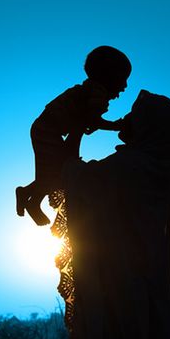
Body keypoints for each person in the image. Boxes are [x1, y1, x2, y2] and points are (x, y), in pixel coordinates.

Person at [55, 89, 170, 339]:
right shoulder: (154, 168)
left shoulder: (131, 167)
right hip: (140, 280)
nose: (126, 118)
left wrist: (78, 129)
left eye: (134, 116)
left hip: (120, 282)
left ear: (149, 128)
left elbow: (72, 175)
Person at [15, 46, 132, 226]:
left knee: (55, 171)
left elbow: (84, 123)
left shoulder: (91, 91)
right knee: (56, 172)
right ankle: (31, 199)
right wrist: (116, 125)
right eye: (122, 79)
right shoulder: (95, 93)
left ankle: (29, 196)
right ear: (108, 76)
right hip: (48, 130)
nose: (124, 87)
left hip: (50, 130)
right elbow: (90, 121)